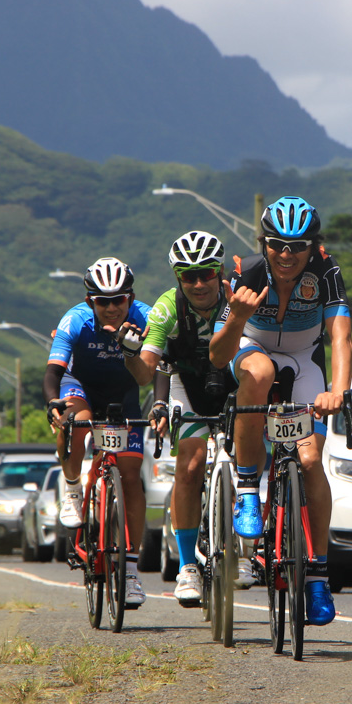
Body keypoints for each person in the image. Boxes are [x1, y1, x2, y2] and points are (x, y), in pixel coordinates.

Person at [210, 196, 352, 626]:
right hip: (252, 351)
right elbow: (218, 357)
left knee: (310, 460)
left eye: (298, 246)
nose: (287, 255)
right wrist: (236, 319)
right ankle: (249, 489)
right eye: (277, 245)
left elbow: (340, 337)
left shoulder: (326, 272)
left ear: (313, 246)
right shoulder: (246, 272)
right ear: (264, 243)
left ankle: (317, 577)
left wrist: (338, 391)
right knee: (259, 371)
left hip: (305, 360)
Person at [125, 230, 249, 606]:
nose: (198, 283)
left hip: (230, 380)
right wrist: (130, 353)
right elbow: (147, 373)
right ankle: (187, 566)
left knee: (251, 455)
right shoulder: (165, 309)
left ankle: (245, 551)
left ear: (220, 271)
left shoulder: (235, 299)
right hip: (186, 383)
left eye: (206, 274)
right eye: (188, 276)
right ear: (177, 278)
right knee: (191, 465)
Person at [44, 257, 153, 607]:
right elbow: (53, 372)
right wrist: (52, 402)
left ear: (130, 298)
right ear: (90, 300)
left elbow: (159, 368)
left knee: (132, 477)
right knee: (75, 423)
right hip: (81, 386)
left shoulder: (146, 317)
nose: (110, 308)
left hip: (124, 394)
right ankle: (73, 488)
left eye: (118, 300)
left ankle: (131, 569)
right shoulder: (74, 319)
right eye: (101, 301)